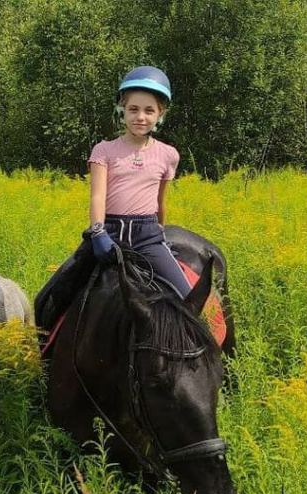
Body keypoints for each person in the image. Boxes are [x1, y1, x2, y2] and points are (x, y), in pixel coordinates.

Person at [35, 66, 192, 332]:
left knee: (189, 298)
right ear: (122, 110)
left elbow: (160, 201)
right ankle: (45, 355)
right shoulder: (105, 150)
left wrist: (161, 234)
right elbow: (97, 196)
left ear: (160, 114)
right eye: (133, 109)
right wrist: (97, 232)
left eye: (149, 110)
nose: (140, 117)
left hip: (147, 236)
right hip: (108, 232)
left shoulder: (168, 155)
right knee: (52, 296)